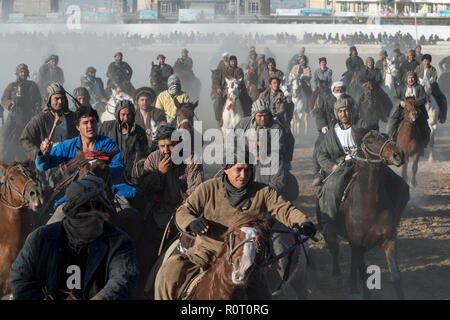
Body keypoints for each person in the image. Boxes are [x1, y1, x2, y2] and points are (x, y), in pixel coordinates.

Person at [154, 147, 316, 300]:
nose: (243, 175)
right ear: (226, 169)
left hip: (246, 258)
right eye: (238, 169)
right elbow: (183, 211)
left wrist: (303, 222)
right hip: (207, 252)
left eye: (247, 169)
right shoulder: (208, 188)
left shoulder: (263, 192)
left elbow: (285, 210)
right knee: (168, 273)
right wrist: (192, 222)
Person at [10, 175, 139, 300]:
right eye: (85, 208)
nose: (93, 214)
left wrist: (102, 297)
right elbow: (20, 279)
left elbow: (125, 277)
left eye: (98, 208)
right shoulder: (40, 239)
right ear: (72, 211)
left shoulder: (119, 241)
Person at [316, 98, 406, 260]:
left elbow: (375, 136)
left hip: (368, 164)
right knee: (332, 188)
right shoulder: (331, 133)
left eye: (347, 110)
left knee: (400, 185)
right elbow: (321, 155)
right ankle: (329, 222)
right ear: (337, 114)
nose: (344, 114)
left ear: (351, 111)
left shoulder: (361, 125)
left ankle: (393, 219)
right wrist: (332, 167)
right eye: (341, 111)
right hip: (342, 168)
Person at [137, 123, 203, 270]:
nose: (166, 150)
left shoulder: (191, 158)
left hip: (184, 212)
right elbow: (142, 188)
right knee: (146, 253)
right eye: (162, 146)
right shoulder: (153, 159)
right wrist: (159, 173)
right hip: (157, 212)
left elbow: (196, 191)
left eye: (170, 145)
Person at [20, 82, 78, 192]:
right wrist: (40, 152)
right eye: (56, 98)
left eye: (62, 98)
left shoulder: (71, 118)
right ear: (49, 100)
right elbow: (24, 139)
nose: (60, 101)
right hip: (48, 166)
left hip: (70, 163)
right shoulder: (40, 119)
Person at [235, 99, 294, 174]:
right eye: (259, 116)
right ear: (254, 115)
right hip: (246, 159)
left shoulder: (275, 127)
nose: (263, 119)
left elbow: (278, 149)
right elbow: (234, 141)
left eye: (265, 115)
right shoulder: (243, 124)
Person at [312, 82, 353, 187]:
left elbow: (356, 111)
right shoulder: (326, 99)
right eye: (337, 90)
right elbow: (319, 113)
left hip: (347, 126)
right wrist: (323, 126)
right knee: (318, 146)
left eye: (341, 90)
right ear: (333, 91)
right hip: (329, 129)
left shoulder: (349, 99)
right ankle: (318, 174)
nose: (339, 92)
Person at [99, 100, 149, 183]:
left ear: (133, 115)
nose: (126, 118)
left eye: (129, 115)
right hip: (108, 174)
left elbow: (143, 155)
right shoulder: (106, 127)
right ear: (117, 114)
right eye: (123, 114)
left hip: (130, 177)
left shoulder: (139, 132)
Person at [0, 64, 42, 162]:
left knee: (33, 139)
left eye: (24, 72)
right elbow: (4, 99)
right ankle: (2, 161)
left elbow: (38, 99)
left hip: (28, 117)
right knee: (4, 136)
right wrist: (10, 104)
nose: (23, 74)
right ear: (18, 73)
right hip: (13, 117)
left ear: (27, 73)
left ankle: (35, 160)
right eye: (21, 72)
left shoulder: (32, 85)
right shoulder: (12, 86)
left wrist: (36, 107)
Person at [386, 71, 431, 147]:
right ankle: (391, 141)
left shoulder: (419, 87)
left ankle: (423, 143)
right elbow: (394, 98)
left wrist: (413, 103)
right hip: (403, 109)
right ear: (406, 79)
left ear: (415, 79)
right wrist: (401, 102)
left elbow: (424, 98)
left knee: (426, 127)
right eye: (409, 78)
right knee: (391, 124)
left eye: (412, 78)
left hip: (416, 109)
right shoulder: (401, 88)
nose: (411, 79)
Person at [414, 54, 447, 123]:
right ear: (422, 61)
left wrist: (429, 82)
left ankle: (442, 117)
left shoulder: (433, 69)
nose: (426, 62)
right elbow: (414, 77)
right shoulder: (418, 68)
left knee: (443, 98)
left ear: (430, 62)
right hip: (419, 86)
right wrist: (419, 82)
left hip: (431, 86)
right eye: (425, 61)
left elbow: (434, 78)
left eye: (428, 61)